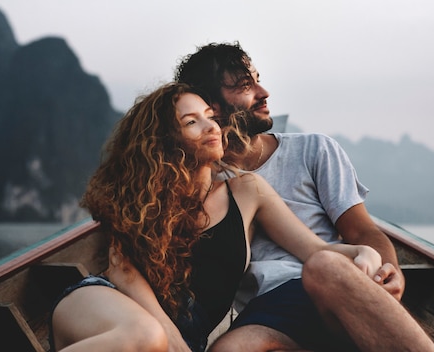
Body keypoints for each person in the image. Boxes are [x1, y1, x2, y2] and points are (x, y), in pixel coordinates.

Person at [49, 82, 384, 352]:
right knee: (147, 336)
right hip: (103, 307)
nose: (210, 126)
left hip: (179, 340)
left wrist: (361, 252)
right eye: (191, 122)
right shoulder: (146, 197)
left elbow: (314, 250)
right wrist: (169, 334)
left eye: (210, 115)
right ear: (165, 141)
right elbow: (122, 268)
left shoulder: (248, 191)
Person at [175, 42, 434, 351]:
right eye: (246, 86)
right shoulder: (204, 180)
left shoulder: (314, 150)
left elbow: (363, 231)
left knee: (323, 266)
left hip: (333, 286)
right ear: (210, 106)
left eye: (258, 79)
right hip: (267, 310)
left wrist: (391, 271)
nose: (264, 92)